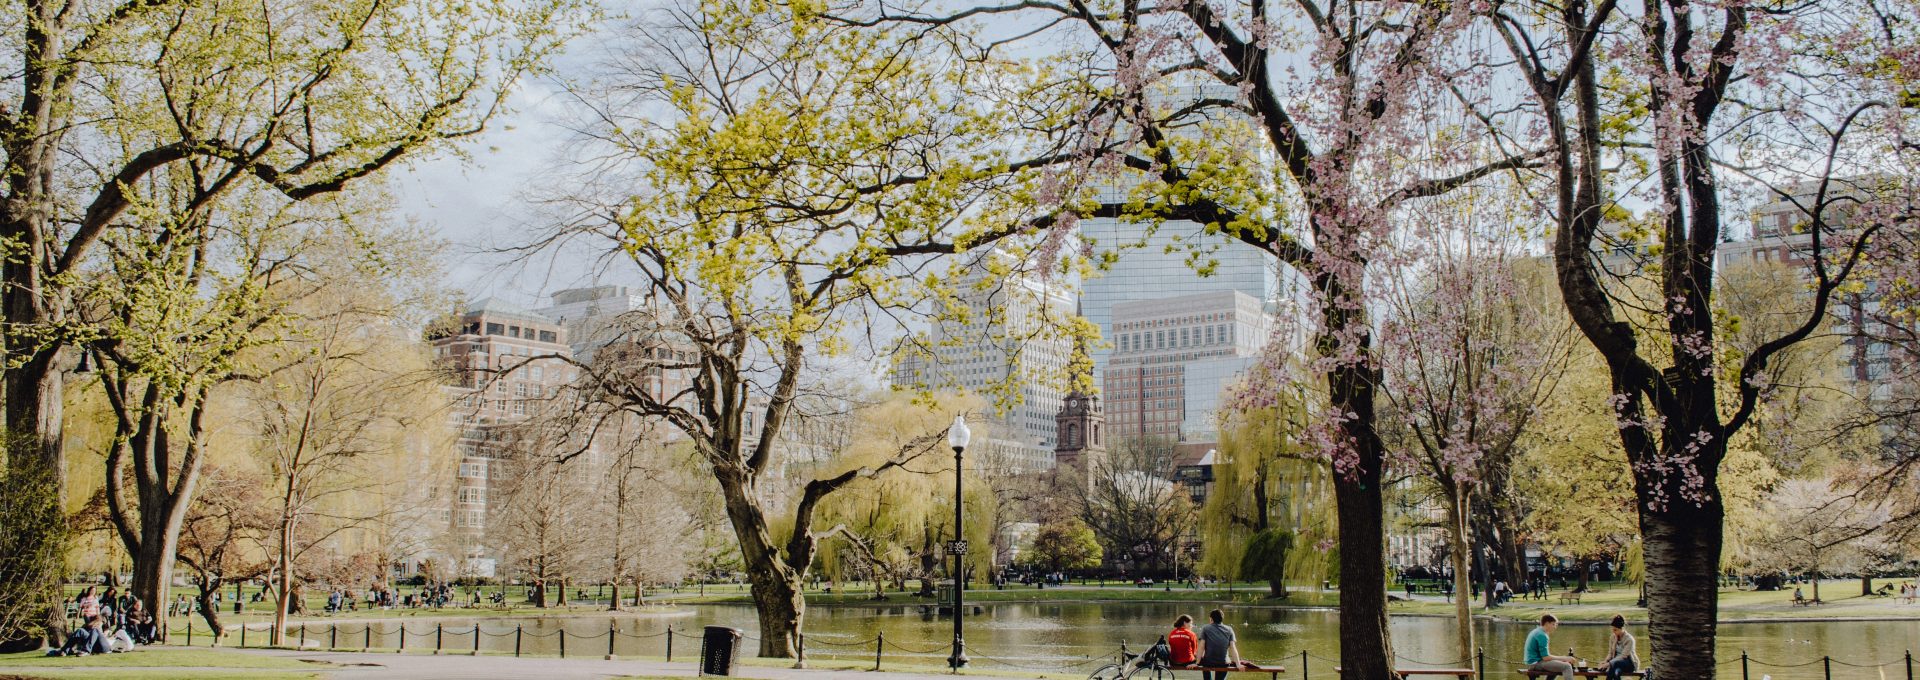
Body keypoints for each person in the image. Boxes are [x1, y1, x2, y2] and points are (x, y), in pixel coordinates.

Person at [1525, 613, 1581, 680]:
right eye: (1553, 624)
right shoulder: (1542, 635)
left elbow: (1545, 657)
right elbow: (1546, 657)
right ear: (1547, 623)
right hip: (1536, 664)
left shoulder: (1537, 631)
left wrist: (1562, 660)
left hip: (1533, 662)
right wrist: (1565, 658)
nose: (1555, 627)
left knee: (1559, 665)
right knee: (1567, 666)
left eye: (1556, 625)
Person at [1197, 609, 1248, 680]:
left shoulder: (1205, 628)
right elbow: (1233, 648)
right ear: (1222, 618)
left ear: (1211, 618)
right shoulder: (1229, 629)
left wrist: (1197, 663)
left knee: (1205, 665)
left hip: (1208, 662)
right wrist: (1238, 664)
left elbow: (1201, 646)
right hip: (1223, 663)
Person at [1603, 614, 1639, 680]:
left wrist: (1609, 663)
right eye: (1612, 630)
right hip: (1615, 664)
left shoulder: (1629, 639)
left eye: (1615, 630)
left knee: (1613, 664)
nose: (1613, 632)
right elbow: (1610, 653)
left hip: (1629, 663)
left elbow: (1623, 656)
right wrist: (1605, 661)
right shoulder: (1612, 637)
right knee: (1616, 672)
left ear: (1621, 629)